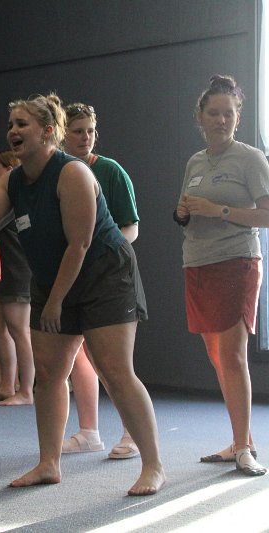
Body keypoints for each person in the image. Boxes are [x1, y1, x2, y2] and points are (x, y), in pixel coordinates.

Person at [0, 93, 165, 495]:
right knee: (48, 375)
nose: (12, 130)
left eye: (22, 124)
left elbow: (80, 244)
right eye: (11, 124)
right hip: (52, 276)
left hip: (104, 275)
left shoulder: (72, 173)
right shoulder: (13, 180)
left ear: (47, 132)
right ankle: (48, 464)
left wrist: (57, 302)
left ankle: (153, 466)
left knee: (115, 371)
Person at [175, 75, 269, 477]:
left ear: (238, 117)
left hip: (237, 262)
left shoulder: (250, 158)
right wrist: (183, 212)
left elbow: (267, 215)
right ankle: (239, 439)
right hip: (198, 263)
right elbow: (183, 210)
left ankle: (244, 448)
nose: (221, 120)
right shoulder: (195, 162)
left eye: (228, 113)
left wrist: (221, 211)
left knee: (232, 357)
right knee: (217, 357)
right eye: (213, 113)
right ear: (200, 116)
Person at [60, 103, 141, 458]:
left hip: (108, 277)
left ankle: (132, 434)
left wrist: (103, 252)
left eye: (90, 131)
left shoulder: (111, 171)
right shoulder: (58, 172)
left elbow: (130, 228)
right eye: (78, 131)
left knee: (113, 363)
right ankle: (88, 432)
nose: (85, 137)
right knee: (78, 356)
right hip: (71, 276)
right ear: (62, 134)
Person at [0, 151, 34, 407]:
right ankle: (6, 384)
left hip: (17, 272)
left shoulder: (12, 200)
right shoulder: (4, 196)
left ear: (9, 169)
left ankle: (26, 390)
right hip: (2, 272)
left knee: (19, 330)